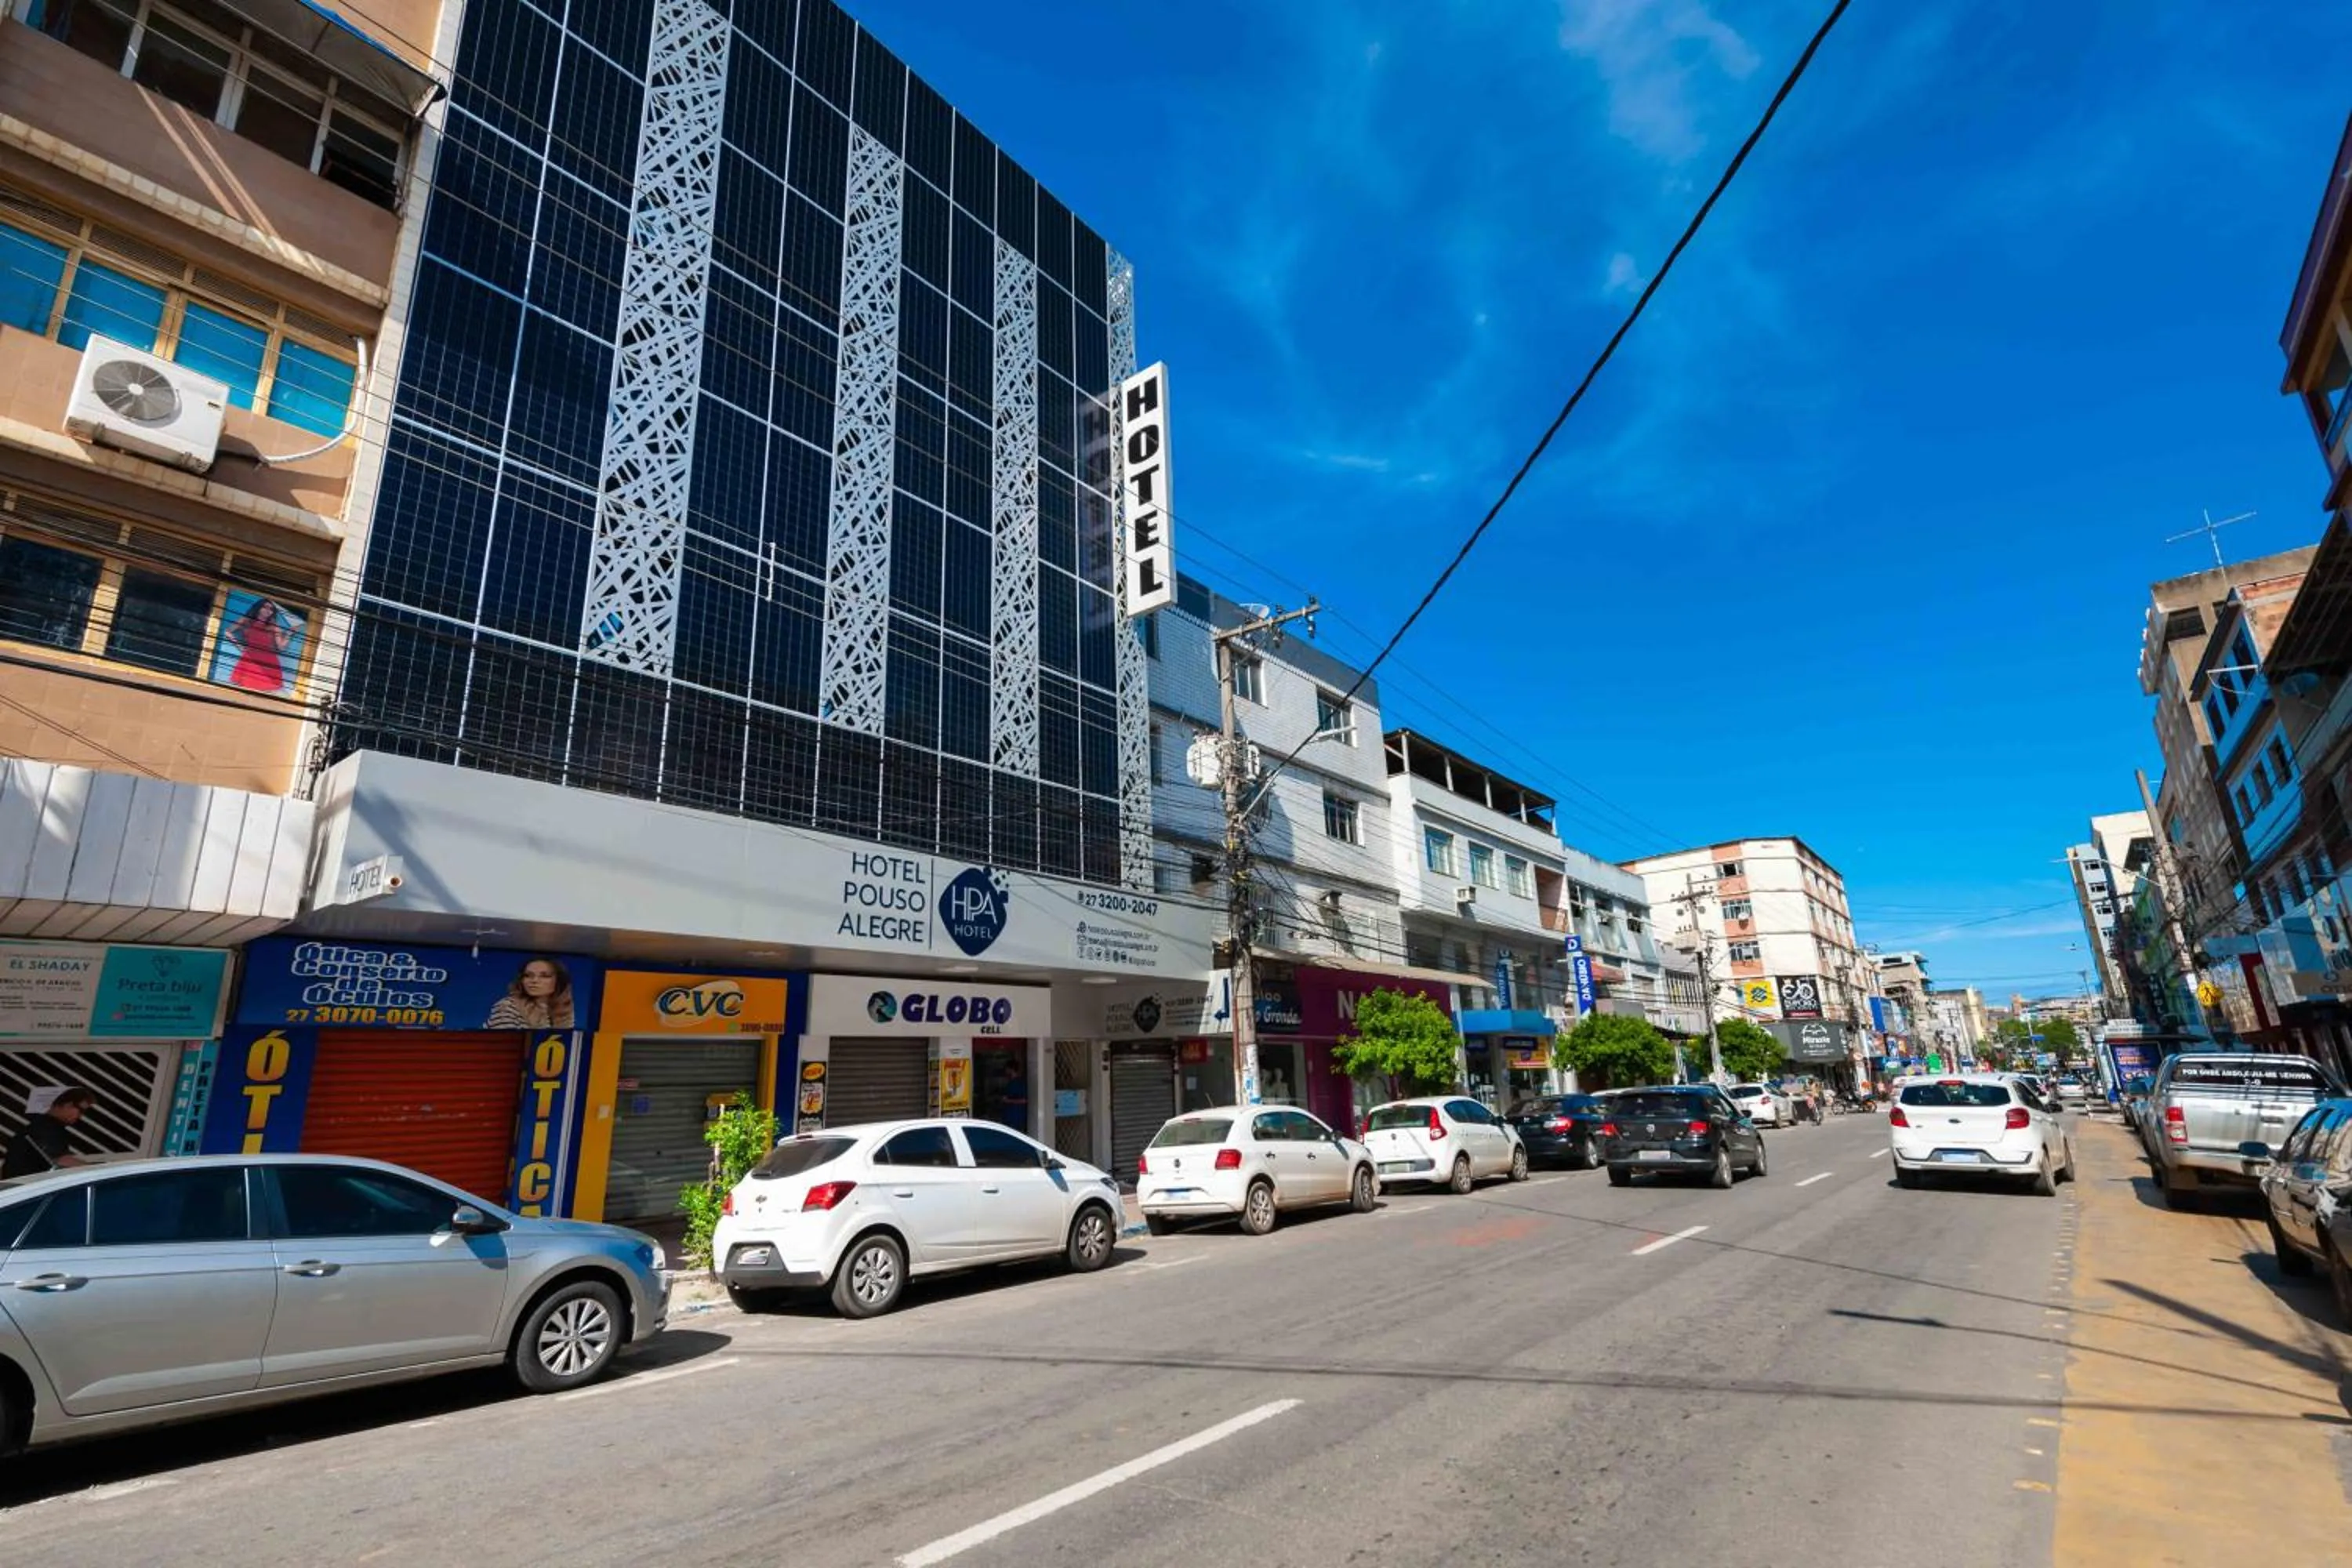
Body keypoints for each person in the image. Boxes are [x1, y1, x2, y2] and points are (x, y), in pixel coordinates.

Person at [2, 1087, 94, 1178]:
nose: (80, 1116)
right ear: (68, 1105)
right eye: (81, 1110)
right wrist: (95, 1170)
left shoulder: (41, 1125)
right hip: (29, 1188)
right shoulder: (48, 1128)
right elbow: (61, 1160)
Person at [485, 956, 575, 1029]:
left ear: (559, 980)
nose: (534, 980)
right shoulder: (507, 1006)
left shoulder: (563, 1009)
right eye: (528, 975)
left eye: (544, 976)